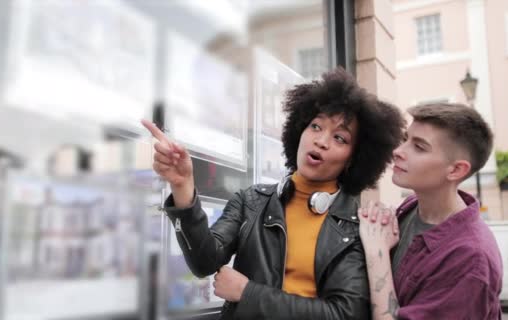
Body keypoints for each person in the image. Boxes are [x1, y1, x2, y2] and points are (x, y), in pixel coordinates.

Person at [142, 68, 406, 319]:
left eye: (340, 138)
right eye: (315, 126)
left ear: (353, 158)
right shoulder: (252, 201)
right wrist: (183, 185)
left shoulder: (359, 226)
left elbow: (343, 314)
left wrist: (248, 293)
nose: (321, 141)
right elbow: (204, 261)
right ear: (299, 130)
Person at [359, 103, 503, 319]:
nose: (398, 151)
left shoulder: (470, 259)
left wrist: (376, 252)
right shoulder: (411, 208)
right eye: (406, 139)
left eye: (419, 147)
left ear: (456, 170)